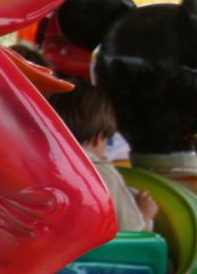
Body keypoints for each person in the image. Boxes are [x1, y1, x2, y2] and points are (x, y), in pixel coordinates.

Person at [48, 80, 156, 231]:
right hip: (95, 254)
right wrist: (145, 214)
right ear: (98, 138)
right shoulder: (102, 175)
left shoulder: (41, 165)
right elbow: (132, 236)